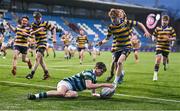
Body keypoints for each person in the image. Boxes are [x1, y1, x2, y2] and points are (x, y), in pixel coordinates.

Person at [97, 8, 150, 87]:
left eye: (114, 18)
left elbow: (139, 23)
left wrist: (146, 31)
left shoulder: (126, 22)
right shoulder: (111, 27)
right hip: (117, 48)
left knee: (119, 62)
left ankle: (115, 82)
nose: (113, 20)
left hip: (126, 47)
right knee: (115, 65)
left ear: (119, 17)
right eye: (111, 18)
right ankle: (121, 73)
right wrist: (101, 42)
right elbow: (107, 38)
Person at [28, 62, 114, 100]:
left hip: (71, 88)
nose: (102, 73)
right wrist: (105, 84)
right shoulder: (89, 72)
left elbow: (93, 87)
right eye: (101, 71)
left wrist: (95, 94)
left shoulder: (94, 77)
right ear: (96, 68)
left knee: (74, 94)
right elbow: (89, 86)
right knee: (61, 93)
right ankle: (36, 96)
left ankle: (58, 93)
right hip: (66, 83)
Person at [26, 11, 56, 80]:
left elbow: (53, 28)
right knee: (41, 60)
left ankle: (31, 74)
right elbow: (31, 33)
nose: (37, 19)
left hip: (43, 42)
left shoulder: (45, 23)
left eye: (38, 18)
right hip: (37, 43)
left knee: (37, 58)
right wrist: (38, 30)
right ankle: (46, 74)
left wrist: (54, 38)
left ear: (40, 18)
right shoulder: (33, 24)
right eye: (35, 18)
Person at [152, 15, 176, 81]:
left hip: (166, 47)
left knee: (164, 60)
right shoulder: (157, 28)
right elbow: (153, 35)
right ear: (161, 20)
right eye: (163, 20)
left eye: (165, 20)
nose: (164, 21)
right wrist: (153, 38)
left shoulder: (171, 29)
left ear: (168, 21)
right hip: (159, 46)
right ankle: (155, 75)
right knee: (158, 59)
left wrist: (169, 38)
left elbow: (174, 38)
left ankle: (165, 64)